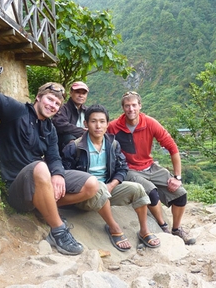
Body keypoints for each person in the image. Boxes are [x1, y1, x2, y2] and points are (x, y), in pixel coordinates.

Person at [0, 82, 99, 255]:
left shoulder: (50, 129)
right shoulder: (17, 111)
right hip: (16, 187)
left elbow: (54, 157)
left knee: (92, 184)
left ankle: (44, 207)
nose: (52, 105)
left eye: (57, 104)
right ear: (38, 97)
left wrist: (58, 175)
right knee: (40, 167)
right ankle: (58, 232)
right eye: (49, 99)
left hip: (41, 180)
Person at [62, 104, 160, 251]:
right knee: (98, 187)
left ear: (108, 124)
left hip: (107, 189)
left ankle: (144, 230)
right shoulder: (74, 147)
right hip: (85, 195)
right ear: (86, 124)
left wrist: (112, 185)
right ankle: (114, 227)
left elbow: (122, 167)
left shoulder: (113, 145)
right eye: (93, 121)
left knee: (138, 188)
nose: (98, 126)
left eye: (102, 121)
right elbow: (65, 175)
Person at [107, 91, 196, 245]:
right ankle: (163, 226)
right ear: (123, 108)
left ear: (140, 106)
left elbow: (172, 147)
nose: (131, 109)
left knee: (181, 194)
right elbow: (98, 137)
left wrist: (177, 177)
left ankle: (177, 228)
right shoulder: (114, 127)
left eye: (134, 105)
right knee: (151, 192)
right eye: (127, 106)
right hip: (129, 169)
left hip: (150, 166)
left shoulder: (150, 123)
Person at [52, 81, 89, 152]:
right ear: (71, 93)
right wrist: (82, 131)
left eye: (83, 93)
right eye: (78, 92)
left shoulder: (87, 111)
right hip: (64, 145)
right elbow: (60, 125)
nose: (81, 95)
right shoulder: (62, 108)